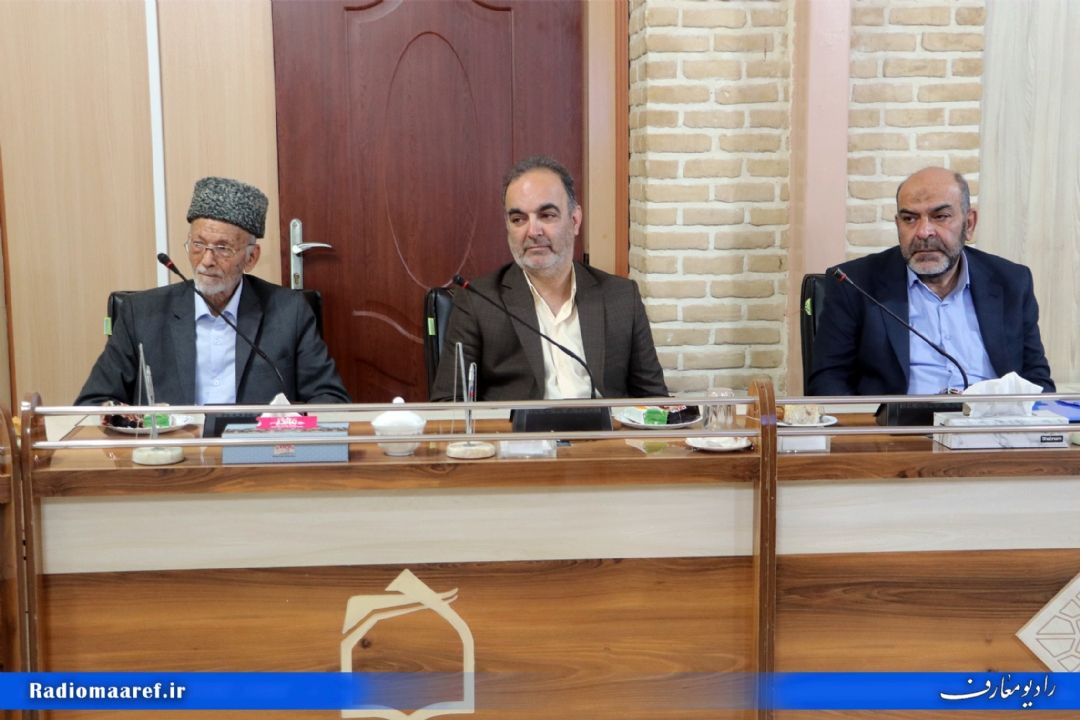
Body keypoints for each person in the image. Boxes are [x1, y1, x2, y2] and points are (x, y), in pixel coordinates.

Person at [77, 176, 350, 407]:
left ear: (251, 257)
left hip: (257, 450)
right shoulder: (141, 314)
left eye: (222, 248)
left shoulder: (290, 312)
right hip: (173, 451)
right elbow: (93, 403)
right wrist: (119, 415)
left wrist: (290, 425)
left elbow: (331, 399)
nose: (206, 260)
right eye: (198, 245)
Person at [431, 156, 668, 401]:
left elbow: (654, 402)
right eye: (518, 219)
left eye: (547, 215)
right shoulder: (479, 301)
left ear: (574, 220)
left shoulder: (621, 297)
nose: (533, 232)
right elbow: (447, 405)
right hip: (516, 427)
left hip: (602, 425)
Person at [808, 166, 1054, 396]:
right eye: (910, 219)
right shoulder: (854, 284)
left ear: (969, 224)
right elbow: (827, 382)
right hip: (901, 426)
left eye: (941, 216)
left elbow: (1037, 380)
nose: (924, 232)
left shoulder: (1011, 282)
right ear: (898, 225)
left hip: (991, 423)